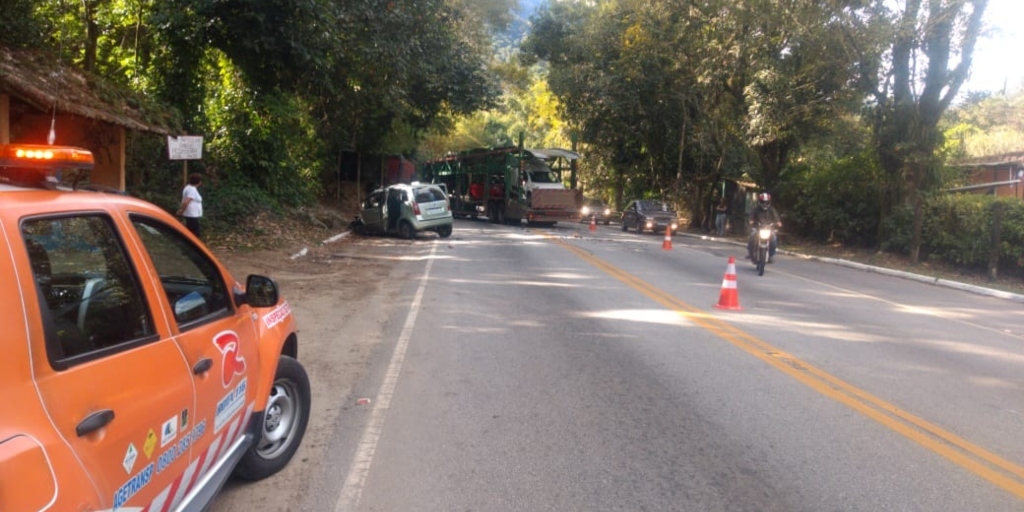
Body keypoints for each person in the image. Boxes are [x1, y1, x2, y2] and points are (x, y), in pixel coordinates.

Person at [747, 192, 781, 263]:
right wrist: (751, 220)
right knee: (752, 235)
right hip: (758, 228)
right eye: (763, 202)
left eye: (766, 202)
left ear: (769, 202)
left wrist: (778, 222)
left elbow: (776, 217)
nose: (765, 204)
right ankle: (750, 253)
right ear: (760, 201)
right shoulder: (756, 209)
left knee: (774, 238)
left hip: (769, 229)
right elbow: (751, 216)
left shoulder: (771, 209)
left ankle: (771, 255)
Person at [177, 173, 203, 239]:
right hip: (192, 214)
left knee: (191, 230)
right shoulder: (192, 190)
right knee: (195, 233)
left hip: (192, 214)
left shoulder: (189, 188)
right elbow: (186, 202)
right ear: (199, 182)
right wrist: (182, 210)